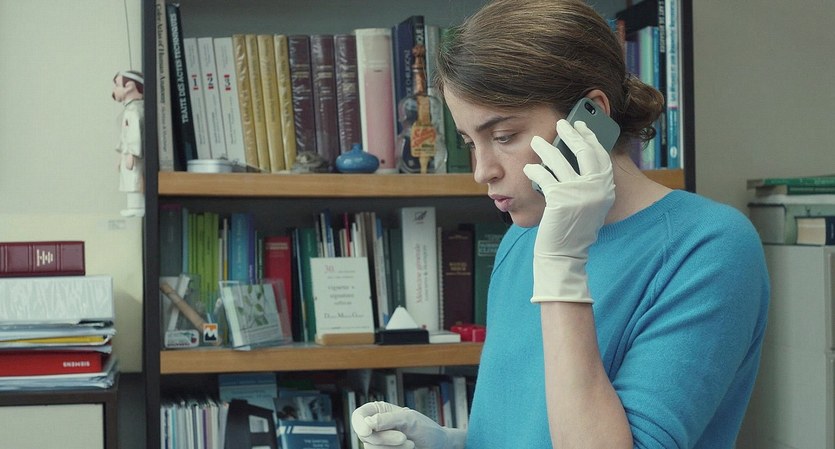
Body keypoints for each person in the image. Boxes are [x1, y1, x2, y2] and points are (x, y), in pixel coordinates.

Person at [351, 0, 770, 448]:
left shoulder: (709, 248)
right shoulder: (521, 239)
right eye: (470, 142)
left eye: (504, 136)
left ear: (591, 117)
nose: (482, 171)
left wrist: (563, 266)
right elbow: (527, 431)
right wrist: (449, 443)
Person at [112, 70, 145, 217]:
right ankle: (133, 206)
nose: (114, 90)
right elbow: (124, 135)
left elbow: (134, 134)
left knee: (134, 180)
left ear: (129, 87)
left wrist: (132, 152)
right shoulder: (129, 110)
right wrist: (121, 155)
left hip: (133, 154)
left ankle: (137, 206)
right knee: (128, 180)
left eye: (117, 85)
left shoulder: (134, 110)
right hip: (127, 153)